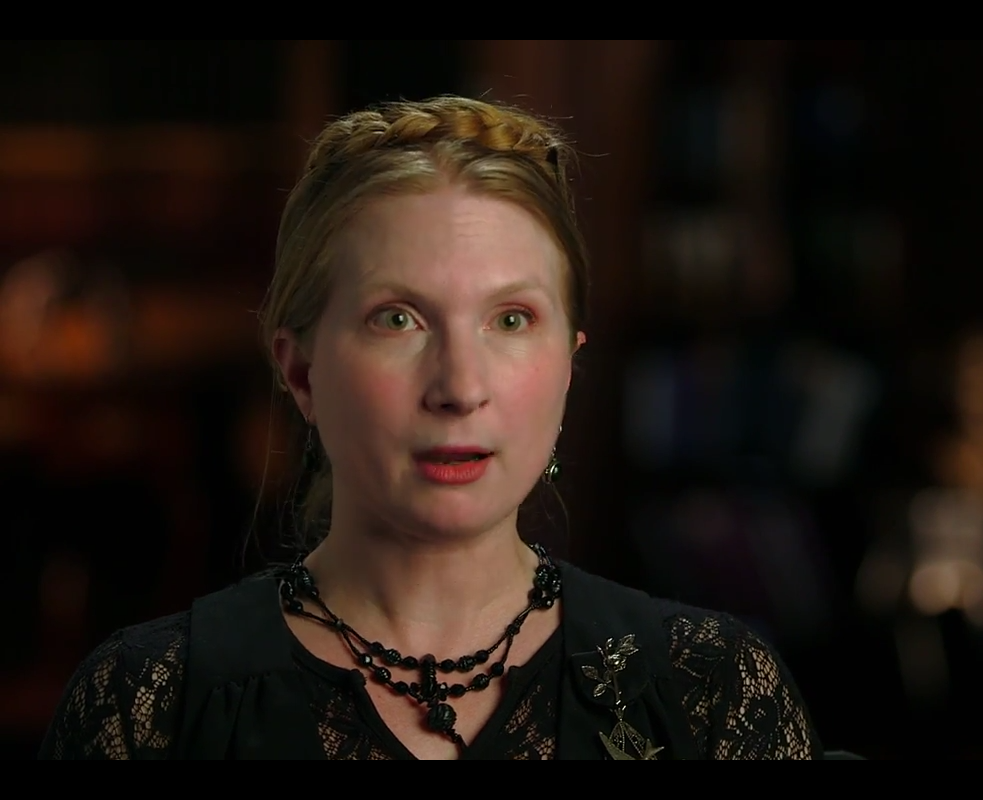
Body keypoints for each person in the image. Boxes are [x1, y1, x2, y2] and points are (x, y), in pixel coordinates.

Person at [37, 95, 824, 760]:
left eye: (511, 319)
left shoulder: (709, 694)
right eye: (398, 318)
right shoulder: (149, 708)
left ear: (568, 365)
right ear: (302, 373)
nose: (460, 387)